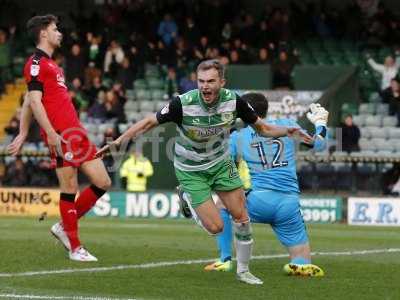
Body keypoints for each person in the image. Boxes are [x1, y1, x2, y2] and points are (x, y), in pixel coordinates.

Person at [96, 59, 312, 285]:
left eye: (210, 81)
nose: (205, 86)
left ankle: (243, 271)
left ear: (222, 82)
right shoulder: (183, 103)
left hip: (220, 164)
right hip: (192, 170)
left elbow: (264, 128)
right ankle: (188, 199)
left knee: (242, 218)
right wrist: (118, 143)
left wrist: (287, 131)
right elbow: (149, 122)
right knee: (216, 227)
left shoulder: (234, 102)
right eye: (201, 81)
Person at [181, 93, 327, 276]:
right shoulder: (289, 125)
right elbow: (319, 146)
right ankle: (300, 264)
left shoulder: (238, 137)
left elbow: (220, 167)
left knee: (222, 206)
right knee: (301, 258)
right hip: (289, 203)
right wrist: (321, 123)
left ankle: (225, 260)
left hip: (259, 201)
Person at [7, 15, 112, 262]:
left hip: (75, 132)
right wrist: (49, 133)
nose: (60, 33)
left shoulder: (53, 65)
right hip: (61, 134)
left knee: (103, 181)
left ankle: (64, 226)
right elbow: (33, 101)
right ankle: (75, 247)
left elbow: (28, 101)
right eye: (55, 29)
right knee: (70, 188)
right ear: (43, 33)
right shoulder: (35, 63)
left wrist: (23, 132)